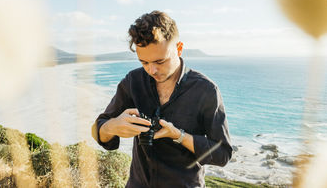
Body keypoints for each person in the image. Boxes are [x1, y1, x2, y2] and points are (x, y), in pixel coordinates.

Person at [94, 11, 232, 188]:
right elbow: (99, 129)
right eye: (144, 62)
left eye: (160, 61)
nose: (152, 70)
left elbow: (222, 154)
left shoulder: (206, 90)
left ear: (179, 48)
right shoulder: (133, 81)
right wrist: (111, 127)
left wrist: (179, 136)